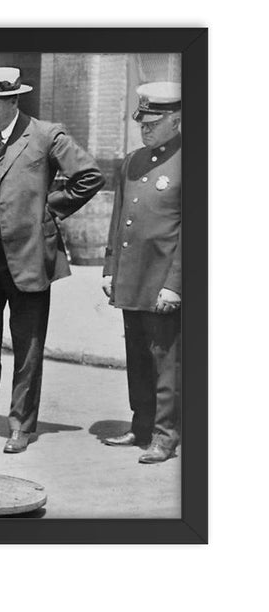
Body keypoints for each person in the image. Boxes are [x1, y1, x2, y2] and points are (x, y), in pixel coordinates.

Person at [0, 67, 104, 453]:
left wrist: (48, 210)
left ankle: (21, 426)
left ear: (14, 100)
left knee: (28, 345)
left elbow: (89, 176)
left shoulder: (47, 135)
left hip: (28, 254)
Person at [102, 82, 182, 464]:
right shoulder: (132, 161)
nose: (145, 129)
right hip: (131, 277)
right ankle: (142, 425)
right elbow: (119, 219)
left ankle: (167, 435)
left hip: (163, 280)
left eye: (153, 122)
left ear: (176, 120)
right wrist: (108, 268)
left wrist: (175, 285)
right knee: (137, 357)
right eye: (142, 122)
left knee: (165, 359)